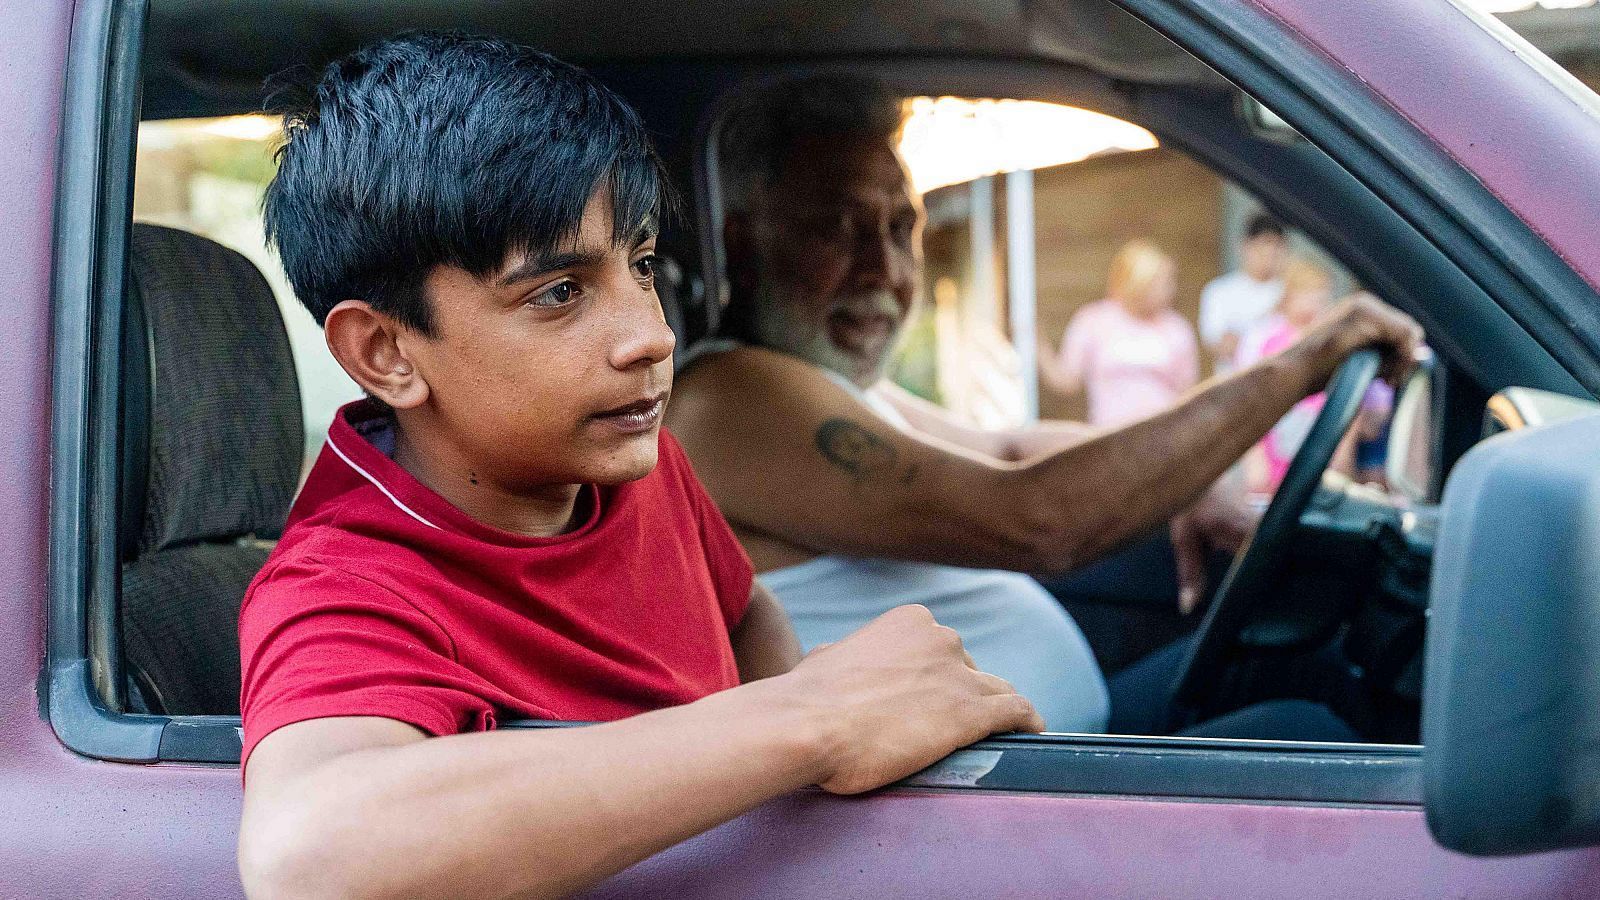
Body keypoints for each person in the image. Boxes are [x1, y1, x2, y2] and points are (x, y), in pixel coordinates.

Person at [236, 36, 1044, 900]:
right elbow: (308, 854)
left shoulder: (629, 464)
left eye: (644, 266)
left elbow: (745, 615)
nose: (652, 336)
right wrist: (813, 716)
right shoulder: (346, 585)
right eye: (559, 293)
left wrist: (817, 763)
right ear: (387, 353)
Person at [667, 75, 1421, 738]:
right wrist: (1303, 361)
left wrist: (1187, 474)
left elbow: (1010, 448)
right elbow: (1034, 517)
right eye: (837, 227)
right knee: (1310, 724)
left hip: (1048, 750)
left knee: (1314, 672)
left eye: (901, 228)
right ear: (746, 243)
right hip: (985, 810)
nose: (884, 269)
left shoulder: (822, 383)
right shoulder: (727, 396)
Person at [1038, 239, 1201, 427]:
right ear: (1139, 283)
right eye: (1162, 282)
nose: (1170, 290)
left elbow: (1188, 393)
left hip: (1162, 436)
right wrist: (1037, 343)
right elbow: (1067, 379)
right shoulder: (1094, 320)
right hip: (1109, 436)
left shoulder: (1176, 328)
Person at [1198, 213, 1289, 375]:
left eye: (1277, 247)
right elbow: (1222, 347)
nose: (1270, 255)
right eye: (1263, 246)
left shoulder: (1289, 292)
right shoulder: (1220, 292)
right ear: (1245, 246)